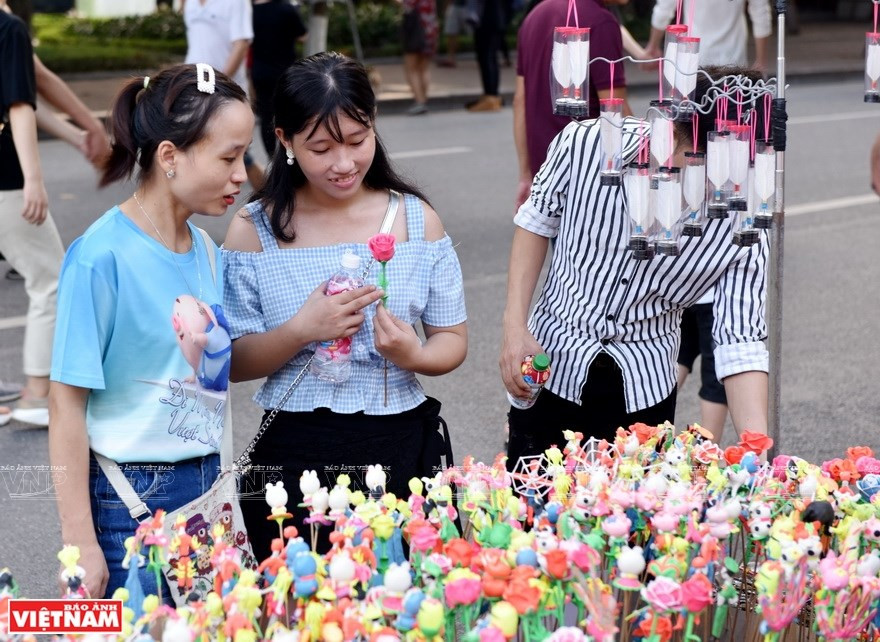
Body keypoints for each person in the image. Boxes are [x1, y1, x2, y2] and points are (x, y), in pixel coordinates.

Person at [222, 52, 468, 559]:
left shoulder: (418, 222)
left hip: (401, 449)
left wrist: (413, 355)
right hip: (293, 458)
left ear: (374, 126)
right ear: (285, 140)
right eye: (321, 148)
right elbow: (232, 362)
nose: (343, 163)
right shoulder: (255, 231)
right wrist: (300, 330)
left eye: (357, 141)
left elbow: (452, 341)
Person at [48, 64, 253, 599]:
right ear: (169, 156)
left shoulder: (207, 250)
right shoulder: (99, 258)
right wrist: (81, 544)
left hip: (208, 491)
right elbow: (65, 405)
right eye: (229, 158)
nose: (242, 175)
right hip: (129, 502)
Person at [500, 66, 769, 469]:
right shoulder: (585, 144)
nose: (714, 194)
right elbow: (536, 223)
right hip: (553, 360)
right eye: (701, 173)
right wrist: (514, 327)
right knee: (533, 510)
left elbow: (741, 342)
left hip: (645, 384)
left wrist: (757, 456)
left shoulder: (743, 215)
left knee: (631, 520)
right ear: (671, 133)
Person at [0, 3, 65, 428]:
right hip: (4, 177)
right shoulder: (8, 28)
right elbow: (20, 103)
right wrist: (33, 179)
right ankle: (38, 394)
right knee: (52, 280)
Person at [513, 0, 633, 210]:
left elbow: (519, 101)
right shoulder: (601, 21)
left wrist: (526, 173)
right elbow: (615, 109)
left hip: (546, 170)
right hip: (591, 171)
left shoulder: (534, 16)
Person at [182, 0, 265, 189]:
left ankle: (275, 202)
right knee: (196, 148)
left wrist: (218, 84)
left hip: (226, 93)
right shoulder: (190, 3)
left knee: (238, 155)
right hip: (193, 90)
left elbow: (241, 44)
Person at [644, 0, 771, 74]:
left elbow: (663, 11)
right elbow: (761, 13)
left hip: (694, 59)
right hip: (734, 59)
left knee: (694, 116)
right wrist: (761, 62)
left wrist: (653, 46)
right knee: (731, 114)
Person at [251, 0, 307, 157]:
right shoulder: (286, 9)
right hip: (285, 71)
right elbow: (303, 36)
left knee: (266, 116)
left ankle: (271, 156)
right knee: (289, 113)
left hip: (260, 71)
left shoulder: (250, 13)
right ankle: (290, 153)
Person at [676, 301, 728, 440]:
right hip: (715, 296)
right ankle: (706, 454)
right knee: (716, 378)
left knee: (673, 359)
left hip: (677, 294)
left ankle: (646, 443)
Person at [466, 0, 505, 112]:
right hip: (493, 20)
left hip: (487, 20)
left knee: (487, 58)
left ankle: (491, 96)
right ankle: (492, 95)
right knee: (490, 58)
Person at [401, 0, 439, 115]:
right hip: (430, 30)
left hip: (416, 31)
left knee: (411, 69)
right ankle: (423, 101)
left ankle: (419, 102)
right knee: (424, 69)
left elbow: (407, 5)